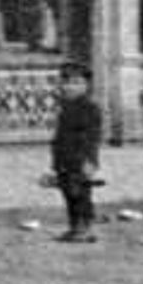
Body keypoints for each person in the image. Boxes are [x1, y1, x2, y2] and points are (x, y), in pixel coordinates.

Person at [46, 63, 103, 243]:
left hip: (81, 159)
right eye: (66, 82)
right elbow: (60, 136)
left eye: (76, 83)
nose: (70, 87)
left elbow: (92, 138)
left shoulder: (89, 107)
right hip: (65, 158)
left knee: (81, 194)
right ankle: (74, 227)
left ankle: (85, 228)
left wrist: (89, 161)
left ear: (86, 86)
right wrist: (55, 161)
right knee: (68, 193)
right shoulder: (66, 107)